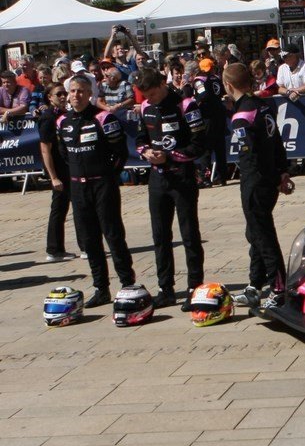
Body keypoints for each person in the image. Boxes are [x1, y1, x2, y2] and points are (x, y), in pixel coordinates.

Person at [57, 75, 135, 308]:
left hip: (103, 185)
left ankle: (127, 284)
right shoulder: (62, 121)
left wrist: (108, 176)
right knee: (89, 240)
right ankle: (101, 288)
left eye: (81, 91)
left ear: (90, 94)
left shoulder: (103, 118)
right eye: (73, 91)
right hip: (78, 187)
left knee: (113, 236)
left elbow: (120, 152)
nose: (76, 95)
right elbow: (64, 153)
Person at [135, 68, 207, 309]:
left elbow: (199, 145)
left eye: (153, 94)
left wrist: (170, 156)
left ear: (162, 85)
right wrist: (146, 152)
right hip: (157, 179)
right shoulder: (145, 107)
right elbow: (139, 140)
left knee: (189, 234)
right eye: (146, 96)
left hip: (182, 177)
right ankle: (165, 288)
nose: (150, 99)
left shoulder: (186, 105)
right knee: (160, 236)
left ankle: (195, 286)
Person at [223, 63, 292, 311]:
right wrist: (282, 172)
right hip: (269, 178)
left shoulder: (242, 116)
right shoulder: (262, 106)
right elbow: (277, 142)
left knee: (263, 237)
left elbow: (251, 156)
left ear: (228, 85)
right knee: (254, 233)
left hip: (256, 181)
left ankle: (279, 289)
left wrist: (269, 178)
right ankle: (254, 285)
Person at [38, 83, 76, 262]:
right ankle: (54, 249)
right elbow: (45, 149)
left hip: (69, 167)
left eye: (64, 93)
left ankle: (61, 248)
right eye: (58, 94)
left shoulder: (64, 114)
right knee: (59, 208)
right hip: (59, 171)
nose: (63, 96)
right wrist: (53, 177)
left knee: (72, 207)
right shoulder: (48, 117)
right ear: (49, 97)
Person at [192, 57, 228, 187]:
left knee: (206, 148)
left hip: (208, 117)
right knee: (220, 148)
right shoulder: (216, 79)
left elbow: (203, 95)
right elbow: (223, 93)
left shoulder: (199, 80)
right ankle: (222, 177)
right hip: (220, 116)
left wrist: (196, 102)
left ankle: (205, 178)